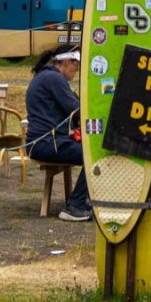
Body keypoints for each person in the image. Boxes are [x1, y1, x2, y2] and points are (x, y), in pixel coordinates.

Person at [26, 46, 91, 221]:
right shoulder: (54, 79)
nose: (77, 70)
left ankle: (84, 200)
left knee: (90, 150)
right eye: (76, 65)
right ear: (67, 61)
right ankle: (75, 206)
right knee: (93, 155)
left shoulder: (46, 76)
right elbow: (77, 111)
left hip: (43, 142)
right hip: (45, 143)